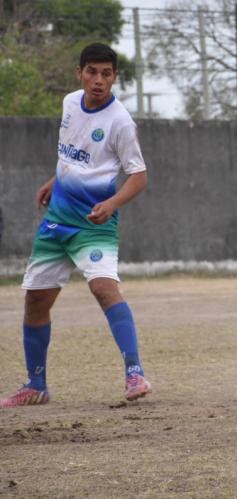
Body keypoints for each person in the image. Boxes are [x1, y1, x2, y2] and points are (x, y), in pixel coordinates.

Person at [1, 43, 151, 407]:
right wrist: (55, 181)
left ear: (115, 78)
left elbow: (139, 176)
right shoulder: (70, 104)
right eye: (92, 72)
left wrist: (111, 203)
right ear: (79, 73)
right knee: (36, 300)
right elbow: (71, 150)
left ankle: (135, 373)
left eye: (106, 74)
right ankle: (36, 385)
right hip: (57, 222)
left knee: (103, 289)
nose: (98, 80)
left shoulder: (120, 122)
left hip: (93, 225)